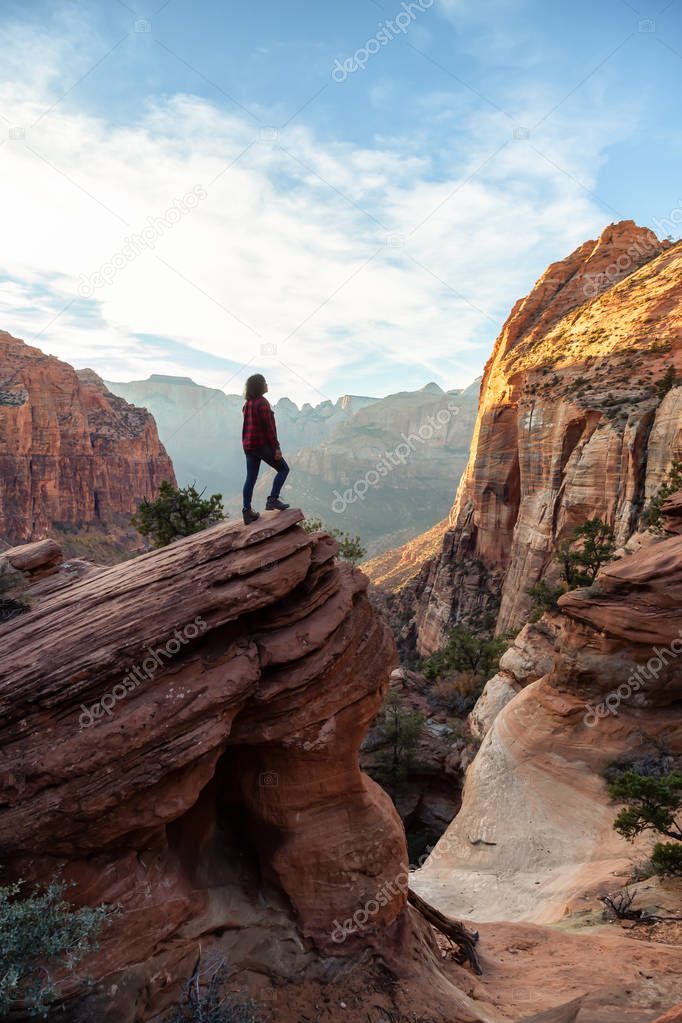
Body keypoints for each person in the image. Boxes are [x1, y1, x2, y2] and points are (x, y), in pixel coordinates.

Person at [241, 373, 290, 524]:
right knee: (283, 469)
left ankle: (247, 511)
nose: (267, 384)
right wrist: (276, 447)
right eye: (265, 382)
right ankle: (273, 500)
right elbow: (269, 428)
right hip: (262, 445)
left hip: (249, 446)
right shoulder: (262, 403)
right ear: (260, 386)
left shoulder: (247, 404)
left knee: (251, 478)